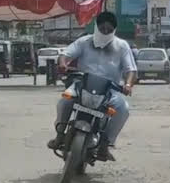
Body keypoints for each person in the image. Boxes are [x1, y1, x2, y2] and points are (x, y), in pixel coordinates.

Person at [47, 11, 137, 161]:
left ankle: (105, 144)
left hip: (110, 90)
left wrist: (128, 84)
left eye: (109, 29)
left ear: (114, 30)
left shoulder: (122, 46)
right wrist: (63, 64)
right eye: (103, 28)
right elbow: (66, 54)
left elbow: (131, 69)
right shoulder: (84, 41)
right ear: (96, 27)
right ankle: (60, 134)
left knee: (123, 109)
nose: (106, 32)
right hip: (81, 85)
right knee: (65, 101)